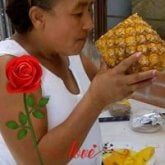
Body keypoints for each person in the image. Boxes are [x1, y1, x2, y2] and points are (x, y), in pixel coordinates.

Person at [0, 0, 158, 164]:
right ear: (38, 17)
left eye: (89, 9)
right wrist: (96, 99)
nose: (89, 23)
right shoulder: (11, 67)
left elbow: (98, 95)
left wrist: (122, 83)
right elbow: (35, 161)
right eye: (77, 13)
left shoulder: (69, 52)